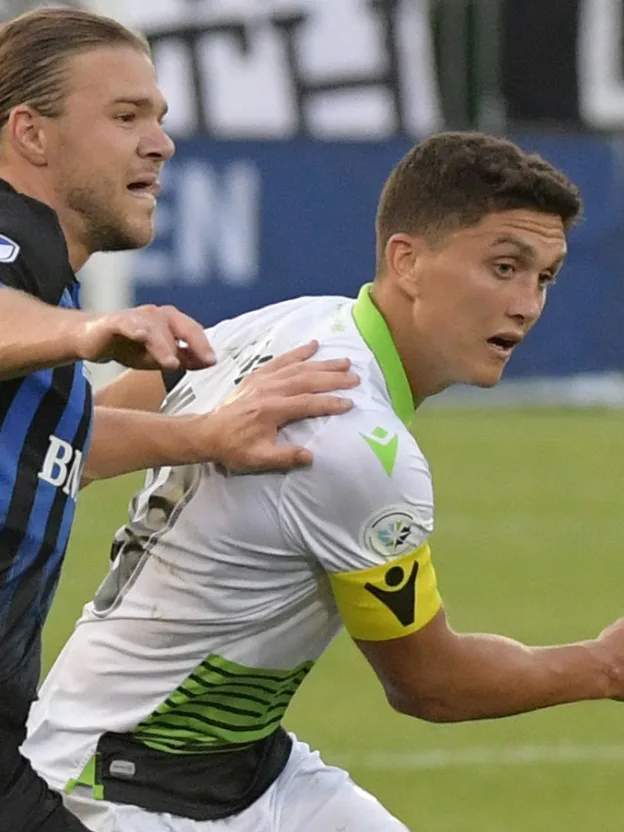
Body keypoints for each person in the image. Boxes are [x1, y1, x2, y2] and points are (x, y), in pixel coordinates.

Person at [24, 130, 624, 832]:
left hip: (239, 763)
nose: (526, 304)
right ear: (406, 260)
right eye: (503, 267)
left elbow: (71, 434)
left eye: (543, 278)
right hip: (126, 784)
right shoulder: (356, 443)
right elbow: (431, 684)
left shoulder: (295, 323)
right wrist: (603, 667)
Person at [0, 8, 358, 832]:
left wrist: (204, 435)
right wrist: (89, 332)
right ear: (31, 133)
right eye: (126, 116)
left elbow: (57, 442)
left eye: (159, 118)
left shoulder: (42, 283)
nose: (160, 143)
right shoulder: (12, 244)